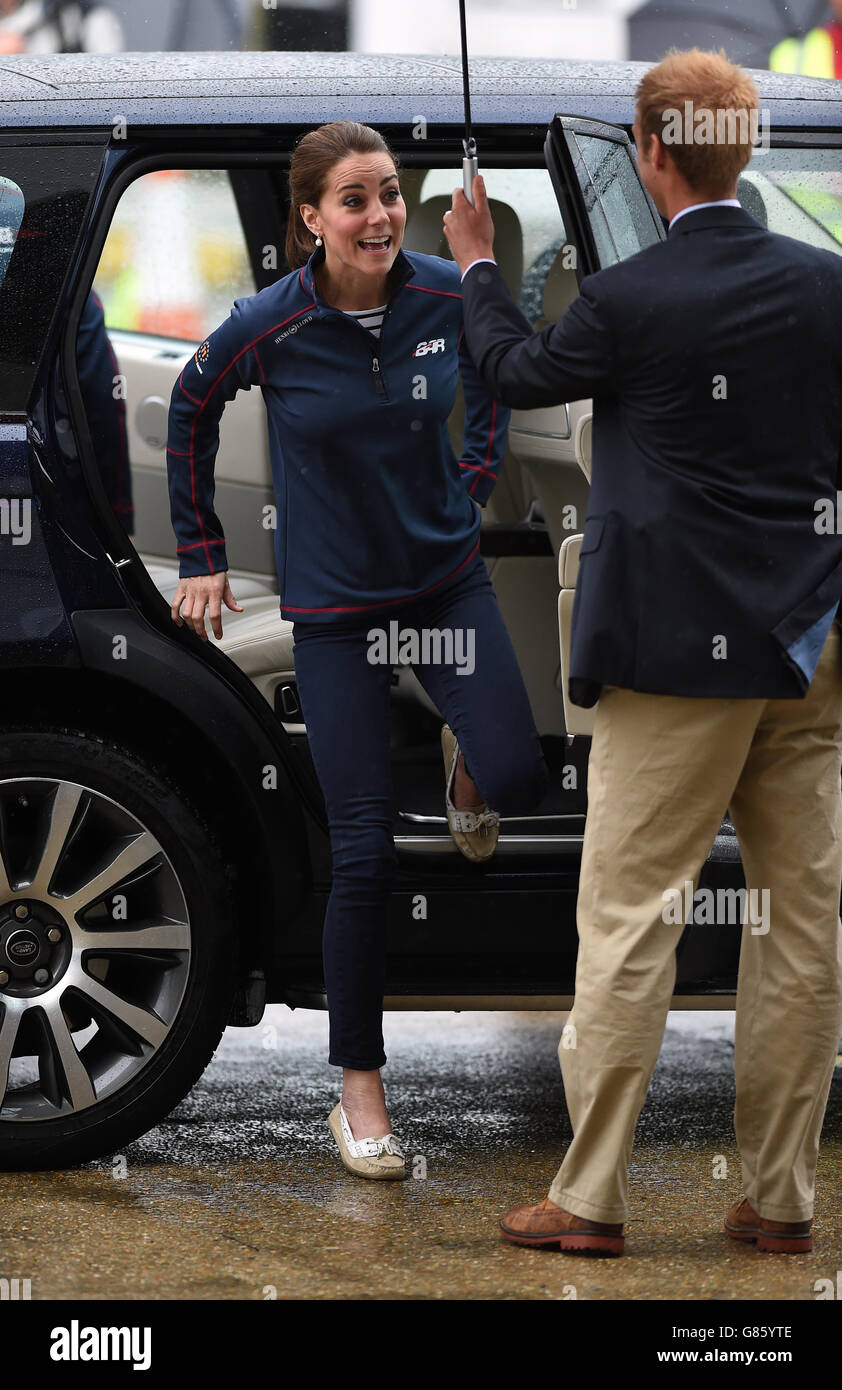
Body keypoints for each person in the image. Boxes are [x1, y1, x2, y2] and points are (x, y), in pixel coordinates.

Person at [445, 46, 842, 1256]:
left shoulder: (625, 302)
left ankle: (590, 1197)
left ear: (652, 153)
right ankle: (778, 1200)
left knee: (628, 918)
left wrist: (475, 264)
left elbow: (510, 370)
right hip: (808, 649)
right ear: (745, 146)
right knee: (802, 925)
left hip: (671, 661)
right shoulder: (828, 288)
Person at [166, 122, 549, 1180]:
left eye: (388, 194)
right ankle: (359, 1089)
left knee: (516, 770)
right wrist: (199, 553)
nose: (378, 215)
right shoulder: (269, 325)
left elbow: (501, 376)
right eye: (353, 199)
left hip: (444, 586)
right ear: (309, 217)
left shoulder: (439, 293)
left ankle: (464, 759)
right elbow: (190, 405)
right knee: (364, 852)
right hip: (335, 611)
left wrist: (471, 484)